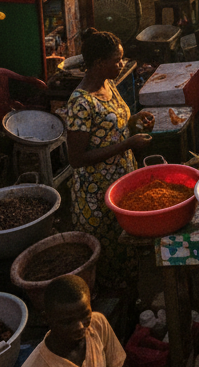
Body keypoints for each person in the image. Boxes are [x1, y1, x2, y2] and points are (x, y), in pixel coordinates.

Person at [65, 29, 154, 288]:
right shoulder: (80, 103)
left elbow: (117, 123)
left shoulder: (109, 84)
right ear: (98, 63)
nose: (122, 64)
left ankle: (134, 307)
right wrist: (127, 144)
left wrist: (137, 121)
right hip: (96, 194)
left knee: (128, 252)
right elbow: (77, 158)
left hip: (122, 181)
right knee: (109, 265)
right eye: (117, 60)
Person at [13, 275, 125, 367]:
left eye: (85, 315)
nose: (80, 326)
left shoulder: (98, 324)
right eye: (67, 322)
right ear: (46, 319)